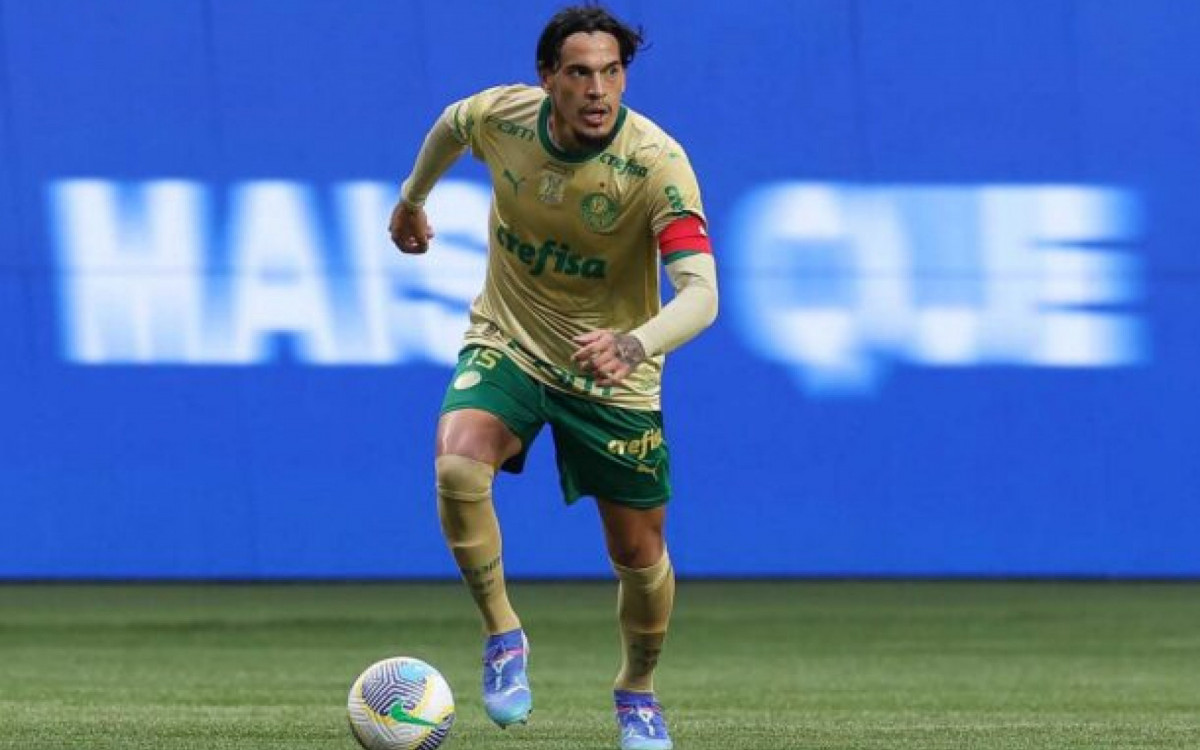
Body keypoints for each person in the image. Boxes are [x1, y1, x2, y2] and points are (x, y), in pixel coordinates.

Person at [388, 5, 717, 749]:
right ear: (549, 80)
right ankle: (504, 636)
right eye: (580, 73)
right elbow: (451, 122)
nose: (599, 89)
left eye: (612, 72)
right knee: (457, 461)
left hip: (613, 375)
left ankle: (637, 691)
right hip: (511, 339)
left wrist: (635, 344)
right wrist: (413, 199)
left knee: (639, 554)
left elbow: (702, 294)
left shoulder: (656, 163)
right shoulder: (504, 117)